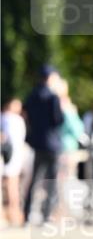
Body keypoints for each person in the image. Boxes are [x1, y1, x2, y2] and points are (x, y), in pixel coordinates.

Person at [22, 64, 64, 224]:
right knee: (50, 181)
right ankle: (46, 215)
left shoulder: (32, 95)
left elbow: (27, 114)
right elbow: (58, 120)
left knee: (34, 180)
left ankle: (27, 214)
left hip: (37, 143)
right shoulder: (53, 97)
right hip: (52, 144)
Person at [1, 98, 27, 226]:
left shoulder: (8, 118)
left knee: (11, 185)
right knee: (12, 185)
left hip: (11, 155)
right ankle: (13, 213)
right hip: (12, 155)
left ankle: (12, 213)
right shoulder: (12, 119)